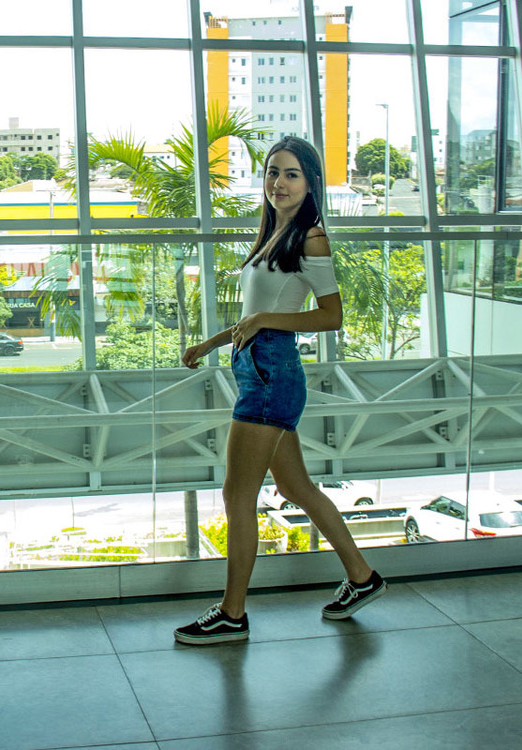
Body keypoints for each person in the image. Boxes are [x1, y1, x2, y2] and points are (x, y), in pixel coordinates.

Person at [174, 136, 386, 645]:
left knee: (236, 494)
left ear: (310, 182)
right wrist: (210, 343)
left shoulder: (310, 238)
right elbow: (255, 316)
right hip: (257, 367)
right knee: (296, 488)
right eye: (273, 172)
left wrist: (265, 320)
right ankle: (363, 578)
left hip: (272, 373)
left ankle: (232, 614)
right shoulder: (273, 233)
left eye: (291, 174)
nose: (279, 182)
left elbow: (331, 315)